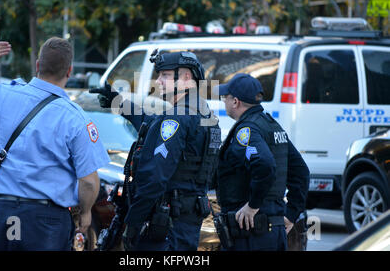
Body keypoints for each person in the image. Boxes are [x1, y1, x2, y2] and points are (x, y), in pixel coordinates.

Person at [0, 34, 109, 251]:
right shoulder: (76, 118)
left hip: (4, 214)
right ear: (69, 71)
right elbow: (89, 182)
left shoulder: (5, 95)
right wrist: (86, 211)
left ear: (37, 65)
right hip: (46, 222)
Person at [91, 51, 221, 251]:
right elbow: (152, 124)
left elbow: (154, 179)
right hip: (185, 223)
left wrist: (133, 223)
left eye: (165, 75)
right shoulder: (204, 115)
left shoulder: (177, 118)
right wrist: (119, 102)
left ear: (186, 77)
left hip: (166, 227)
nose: (158, 81)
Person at [214, 73, 309, 251]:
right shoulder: (272, 126)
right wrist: (292, 213)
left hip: (251, 234)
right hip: (273, 230)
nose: (223, 101)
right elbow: (301, 172)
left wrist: (252, 206)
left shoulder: (247, 130)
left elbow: (264, 165)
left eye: (224, 97)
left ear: (235, 102)